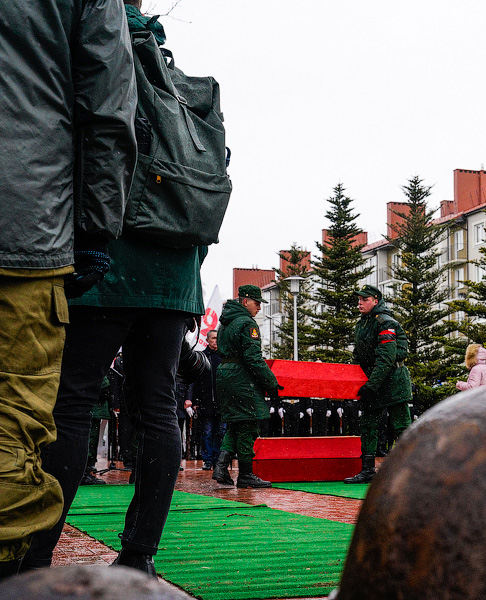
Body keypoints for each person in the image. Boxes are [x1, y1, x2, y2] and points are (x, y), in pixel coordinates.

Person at [23, 2, 208, 577]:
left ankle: (34, 556)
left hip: (109, 258)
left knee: (71, 403)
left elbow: (86, 144)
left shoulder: (96, 53)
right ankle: (139, 557)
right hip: (175, 274)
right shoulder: (177, 79)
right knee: (157, 408)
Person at [0, 0, 136, 579]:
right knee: (11, 425)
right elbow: (107, 110)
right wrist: (93, 229)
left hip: (28, 223)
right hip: (25, 225)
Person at [344, 285, 413, 484]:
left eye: (364, 299)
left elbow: (386, 358)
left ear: (375, 301)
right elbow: (359, 354)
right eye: (359, 299)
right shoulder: (363, 324)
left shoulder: (385, 322)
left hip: (393, 382)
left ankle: (409, 469)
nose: (360, 302)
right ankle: (367, 470)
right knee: (368, 426)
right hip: (375, 381)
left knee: (401, 426)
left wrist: (371, 386)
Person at [213, 285, 279, 489]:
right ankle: (246, 474)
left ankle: (221, 467)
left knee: (235, 424)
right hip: (241, 378)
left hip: (225, 374)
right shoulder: (247, 324)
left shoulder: (226, 322)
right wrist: (271, 383)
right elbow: (253, 358)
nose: (259, 307)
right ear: (245, 301)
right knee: (249, 424)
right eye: (256, 302)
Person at [194, 330, 224, 470]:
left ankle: (218, 459)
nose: (215, 341)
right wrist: (194, 401)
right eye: (213, 338)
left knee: (220, 432)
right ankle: (207, 460)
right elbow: (195, 381)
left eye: (217, 338)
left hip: (221, 403)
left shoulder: (224, 357)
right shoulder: (202, 357)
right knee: (207, 432)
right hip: (206, 402)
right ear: (207, 340)